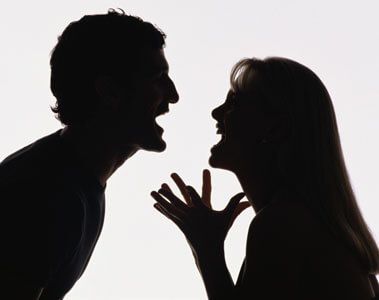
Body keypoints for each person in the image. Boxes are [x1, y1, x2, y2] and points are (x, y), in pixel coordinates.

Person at [151, 57, 379, 299]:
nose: (216, 113)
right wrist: (207, 248)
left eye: (234, 104)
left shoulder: (281, 224)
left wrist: (208, 251)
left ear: (275, 129)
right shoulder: (308, 225)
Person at [0, 9, 178, 300]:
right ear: (109, 91)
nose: (173, 95)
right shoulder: (46, 193)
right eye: (158, 77)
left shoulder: (70, 182)